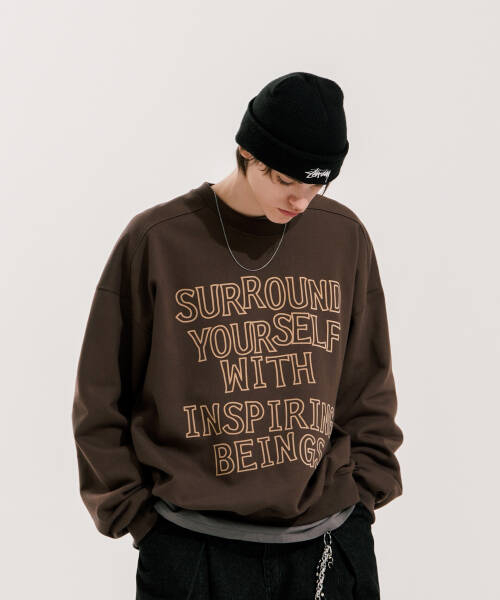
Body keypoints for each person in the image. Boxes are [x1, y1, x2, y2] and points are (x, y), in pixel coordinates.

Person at [72, 71, 404, 599]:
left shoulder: (342, 236)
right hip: (191, 547)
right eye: (286, 180)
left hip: (329, 542)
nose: (300, 200)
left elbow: (367, 380)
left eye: (316, 185)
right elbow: (101, 394)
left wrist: (364, 494)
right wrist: (137, 517)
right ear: (248, 153)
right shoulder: (158, 241)